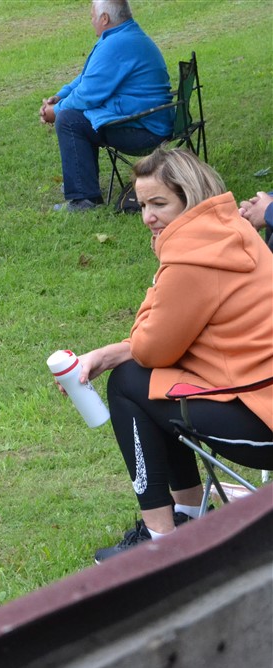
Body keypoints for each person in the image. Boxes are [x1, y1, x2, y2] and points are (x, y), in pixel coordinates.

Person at [71, 148, 273, 563]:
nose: (148, 217)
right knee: (153, 381)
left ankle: (160, 540)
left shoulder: (190, 259)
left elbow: (150, 348)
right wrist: (111, 352)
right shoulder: (231, 229)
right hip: (260, 398)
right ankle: (188, 517)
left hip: (262, 425)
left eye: (159, 204)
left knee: (128, 383)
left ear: (189, 197)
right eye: (142, 204)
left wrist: (160, 271)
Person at [40, 0, 173, 212]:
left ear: (105, 18)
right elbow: (87, 77)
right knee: (74, 115)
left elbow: (87, 95)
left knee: (69, 119)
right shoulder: (124, 36)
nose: (91, 20)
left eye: (93, 16)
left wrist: (55, 111)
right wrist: (60, 96)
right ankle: (82, 184)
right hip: (150, 122)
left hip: (145, 132)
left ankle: (84, 199)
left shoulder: (117, 43)